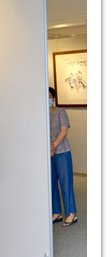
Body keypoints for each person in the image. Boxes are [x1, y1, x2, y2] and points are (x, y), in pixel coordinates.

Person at [49, 87, 78, 226]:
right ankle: (56, 213)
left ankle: (71, 213)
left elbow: (64, 131)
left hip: (62, 152)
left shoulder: (60, 112)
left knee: (66, 183)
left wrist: (53, 146)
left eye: (49, 97)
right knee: (51, 183)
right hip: (47, 154)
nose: (47, 99)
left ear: (53, 98)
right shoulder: (41, 113)